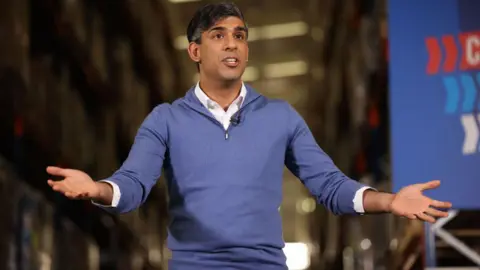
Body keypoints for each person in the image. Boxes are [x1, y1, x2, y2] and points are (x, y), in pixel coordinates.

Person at [47, 2, 451, 269]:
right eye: (218, 35)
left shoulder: (280, 117)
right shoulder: (165, 120)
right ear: (195, 51)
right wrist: (98, 189)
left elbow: (329, 185)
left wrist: (390, 200)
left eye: (239, 35)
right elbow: (133, 184)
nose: (232, 44)